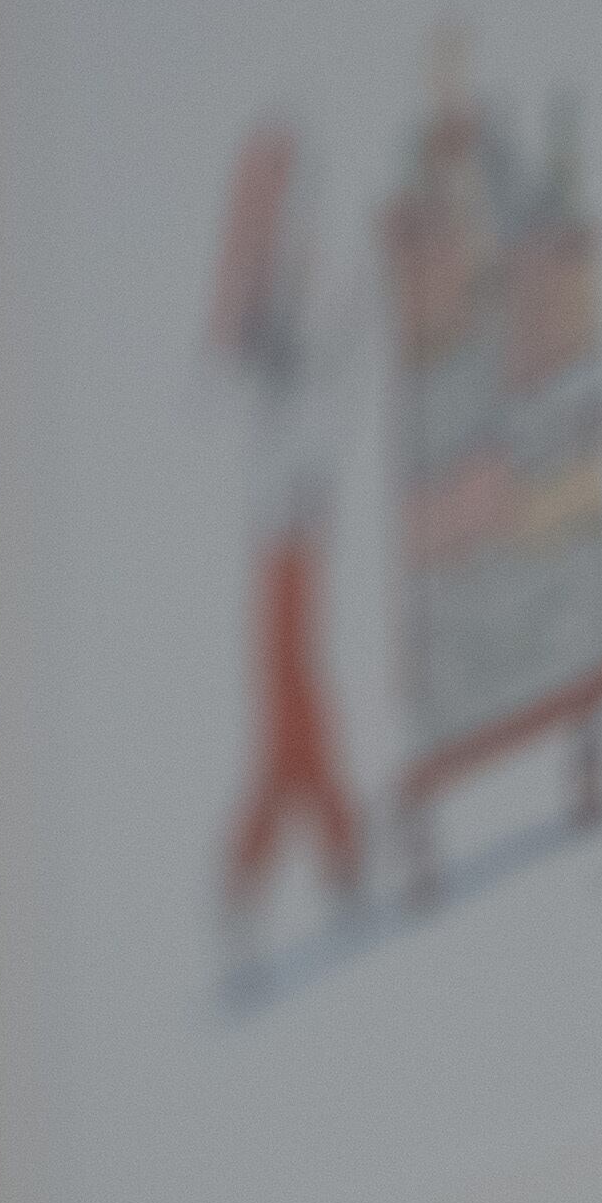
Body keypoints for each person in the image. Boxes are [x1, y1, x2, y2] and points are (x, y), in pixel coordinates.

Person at [207, 117, 366, 928]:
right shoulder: (270, 277)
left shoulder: (315, 272)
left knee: (286, 677)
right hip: (279, 505)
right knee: (284, 683)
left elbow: (318, 360)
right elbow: (227, 362)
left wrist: (271, 336)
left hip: (296, 502)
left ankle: (276, 858)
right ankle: (330, 847)